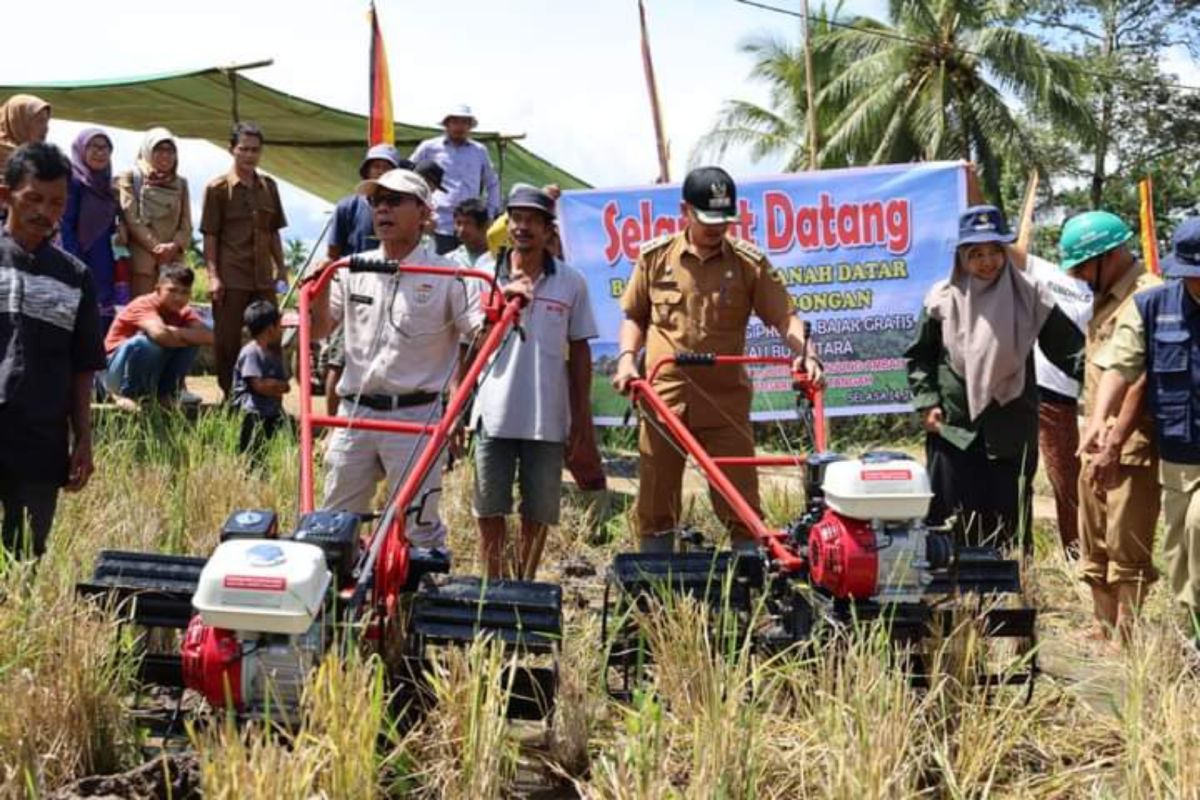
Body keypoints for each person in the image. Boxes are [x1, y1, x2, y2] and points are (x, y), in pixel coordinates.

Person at [612, 166, 823, 554]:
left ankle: (748, 578)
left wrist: (806, 354)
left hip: (725, 399)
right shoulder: (655, 259)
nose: (717, 228)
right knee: (657, 499)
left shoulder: (748, 263)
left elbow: (783, 316)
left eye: (725, 220)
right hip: (664, 398)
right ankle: (654, 581)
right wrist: (627, 360)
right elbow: (634, 317)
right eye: (708, 219)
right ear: (684, 212)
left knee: (740, 500)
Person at [310, 168, 483, 550]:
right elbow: (318, 329)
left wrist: (506, 306)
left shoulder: (450, 275)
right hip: (355, 412)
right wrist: (317, 289)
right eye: (376, 201)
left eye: (394, 201)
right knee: (332, 525)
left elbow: (479, 332)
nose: (382, 209)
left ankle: (413, 604)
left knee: (418, 528)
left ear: (424, 212)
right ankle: (334, 602)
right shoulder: (352, 269)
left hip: (415, 416)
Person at [906, 205, 1085, 551]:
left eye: (994, 252)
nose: (987, 262)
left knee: (1011, 518)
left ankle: (1013, 594)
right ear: (961, 257)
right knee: (953, 517)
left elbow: (1070, 350)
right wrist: (927, 402)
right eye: (976, 254)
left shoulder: (1031, 296)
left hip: (1012, 426)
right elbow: (921, 356)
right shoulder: (941, 299)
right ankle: (956, 598)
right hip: (955, 429)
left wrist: (1105, 384)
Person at [1082, 217, 1200, 652]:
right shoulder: (1153, 307)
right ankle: (1194, 636)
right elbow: (1122, 366)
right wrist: (1098, 420)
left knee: (1199, 529)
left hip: (1170, 453)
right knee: (1180, 557)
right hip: (1178, 457)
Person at [473, 186, 599, 579]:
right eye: (516, 218)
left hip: (547, 416)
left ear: (549, 230)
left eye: (533, 220)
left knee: (539, 511)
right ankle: (493, 587)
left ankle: (524, 585)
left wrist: (580, 419)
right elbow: (468, 344)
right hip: (492, 413)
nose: (523, 227)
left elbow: (579, 353)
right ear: (507, 224)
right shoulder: (483, 273)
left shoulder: (571, 283)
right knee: (489, 507)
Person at [1058, 211, 1162, 643]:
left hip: (1131, 442)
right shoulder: (1104, 296)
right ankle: (1102, 629)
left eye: (1083, 265)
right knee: (1095, 539)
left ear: (1111, 255)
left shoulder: (1150, 294)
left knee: (1127, 543)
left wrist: (1114, 439)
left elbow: (1141, 377)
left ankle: (1128, 638)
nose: (1080, 276)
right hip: (1095, 437)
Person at [0, 143, 104, 559]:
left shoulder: (76, 277)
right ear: (5, 196)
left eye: (57, 203)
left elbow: (83, 367)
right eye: (34, 199)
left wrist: (83, 438)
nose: (46, 211)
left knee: (24, 555)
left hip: (41, 434)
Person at [200, 121, 288, 399]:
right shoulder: (217, 189)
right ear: (232, 150)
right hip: (231, 277)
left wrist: (282, 270)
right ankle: (232, 396)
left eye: (255, 150)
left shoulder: (269, 187)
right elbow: (210, 236)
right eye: (244, 149)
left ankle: (271, 398)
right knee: (227, 341)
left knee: (272, 336)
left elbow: (273, 231)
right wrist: (213, 276)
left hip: (262, 277)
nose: (250, 155)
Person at [320, 144, 406, 417]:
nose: (380, 171)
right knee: (340, 359)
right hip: (355, 288)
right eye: (375, 166)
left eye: (386, 167)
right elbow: (333, 253)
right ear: (366, 170)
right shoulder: (348, 206)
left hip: (395, 290)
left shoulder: (406, 210)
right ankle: (333, 424)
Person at [1025, 252, 1092, 555]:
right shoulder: (1045, 270)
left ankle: (1077, 553)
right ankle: (1015, 554)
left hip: (1069, 392)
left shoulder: (1102, 287)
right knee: (1017, 474)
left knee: (1068, 478)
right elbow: (1009, 250)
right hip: (1027, 385)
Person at [104, 264, 213, 408]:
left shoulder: (184, 311)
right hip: (112, 372)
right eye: (172, 290)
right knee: (144, 343)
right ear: (158, 289)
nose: (178, 297)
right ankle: (125, 394)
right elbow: (160, 335)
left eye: (185, 292)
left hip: (149, 370)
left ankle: (166, 394)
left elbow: (208, 336)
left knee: (190, 343)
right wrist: (181, 336)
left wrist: (175, 332)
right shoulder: (144, 304)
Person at [411, 103, 500, 254]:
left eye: (465, 122)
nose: (460, 127)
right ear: (446, 124)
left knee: (469, 269)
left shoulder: (479, 151)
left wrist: (490, 216)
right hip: (438, 223)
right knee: (437, 269)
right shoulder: (429, 147)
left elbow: (492, 183)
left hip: (472, 224)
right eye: (455, 122)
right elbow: (408, 175)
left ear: (470, 126)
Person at [117, 127, 193, 298]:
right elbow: (132, 218)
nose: (165, 155)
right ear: (147, 151)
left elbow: (186, 224)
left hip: (173, 266)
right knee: (143, 316)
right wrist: (157, 248)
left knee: (170, 318)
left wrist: (173, 246)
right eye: (158, 150)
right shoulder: (131, 177)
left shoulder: (181, 183)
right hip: (142, 265)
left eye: (170, 150)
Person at [61, 128, 118, 333]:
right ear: (81, 150)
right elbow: (65, 225)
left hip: (104, 260)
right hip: (79, 258)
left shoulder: (107, 185)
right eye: (93, 147)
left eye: (105, 148)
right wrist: (74, 263)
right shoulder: (74, 182)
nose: (100, 152)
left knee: (102, 318)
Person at [233, 300, 290, 462]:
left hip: (270, 411)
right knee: (252, 452)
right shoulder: (252, 352)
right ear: (270, 329)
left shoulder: (273, 353)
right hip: (253, 413)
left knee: (267, 449)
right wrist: (280, 386)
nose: (282, 330)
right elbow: (259, 385)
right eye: (280, 326)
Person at [0, 95, 51, 178]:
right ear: (18, 123)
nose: (46, 128)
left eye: (46, 122)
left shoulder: (41, 161)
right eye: (39, 121)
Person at [449, 198, 495, 270]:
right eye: (458, 223)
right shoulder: (450, 260)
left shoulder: (499, 258)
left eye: (468, 223)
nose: (462, 229)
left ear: (485, 226)